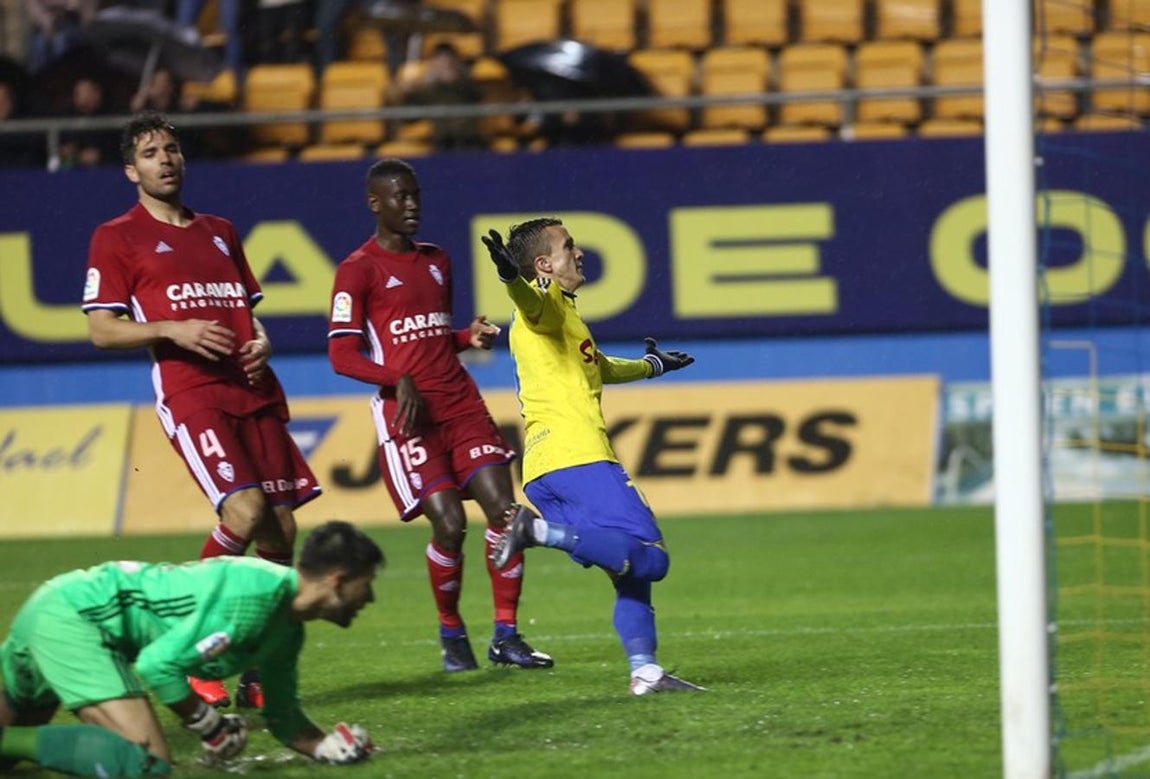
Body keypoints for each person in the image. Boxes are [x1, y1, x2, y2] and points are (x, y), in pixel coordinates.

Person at [81, 111, 322, 709]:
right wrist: (174, 330)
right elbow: (102, 331)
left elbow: (248, 309)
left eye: (171, 148)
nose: (165, 159)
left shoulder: (220, 230)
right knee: (243, 511)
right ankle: (185, 654)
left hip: (253, 389)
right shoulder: (117, 236)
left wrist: (261, 338)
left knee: (281, 530)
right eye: (150, 152)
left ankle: (259, 668)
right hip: (192, 393)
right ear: (130, 170)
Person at [326, 158, 553, 673]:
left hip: (459, 402)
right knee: (450, 525)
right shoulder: (356, 269)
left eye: (416, 195)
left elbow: (428, 340)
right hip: (409, 417)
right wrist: (394, 378)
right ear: (374, 203)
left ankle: (506, 635)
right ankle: (452, 632)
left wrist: (464, 339)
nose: (411, 205)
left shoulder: (438, 260)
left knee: (505, 513)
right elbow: (342, 354)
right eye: (400, 197)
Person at [481, 219, 705, 696]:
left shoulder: (566, 315)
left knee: (628, 574)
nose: (579, 254)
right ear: (544, 265)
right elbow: (531, 303)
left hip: (545, 467)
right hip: (577, 454)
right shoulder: (544, 303)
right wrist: (511, 280)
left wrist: (651, 366)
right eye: (568, 247)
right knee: (652, 558)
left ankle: (645, 672)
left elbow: (597, 366)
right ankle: (534, 530)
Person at [0, 520, 382, 777]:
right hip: (76, 619)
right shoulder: (255, 597)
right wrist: (208, 724)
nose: (370, 598)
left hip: (63, 608)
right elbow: (157, 666)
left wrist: (326, 747)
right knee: (146, 766)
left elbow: (283, 714)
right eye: (367, 583)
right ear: (338, 580)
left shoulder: (287, 629)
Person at [390, 41, 483, 150]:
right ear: (433, 65)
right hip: (442, 144)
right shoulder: (428, 90)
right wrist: (404, 94)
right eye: (441, 61)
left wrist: (456, 81)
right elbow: (408, 119)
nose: (445, 64)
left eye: (449, 60)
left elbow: (478, 98)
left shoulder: (467, 84)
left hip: (471, 143)